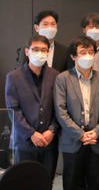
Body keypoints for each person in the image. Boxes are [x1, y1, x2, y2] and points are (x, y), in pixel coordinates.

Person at [54, 36, 99, 190]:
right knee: (72, 183)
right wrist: (79, 134)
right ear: (74, 57)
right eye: (82, 52)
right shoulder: (63, 79)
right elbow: (61, 111)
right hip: (73, 140)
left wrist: (97, 132)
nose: (88, 55)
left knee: (96, 183)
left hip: (96, 141)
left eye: (90, 52)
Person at [6, 35, 60, 182]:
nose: (40, 53)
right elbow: (13, 109)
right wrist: (31, 133)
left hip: (49, 141)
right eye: (35, 49)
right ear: (27, 51)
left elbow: (60, 107)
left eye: (44, 50)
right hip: (25, 142)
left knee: (46, 182)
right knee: (24, 183)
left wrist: (52, 129)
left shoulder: (56, 75)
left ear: (48, 52)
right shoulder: (14, 77)